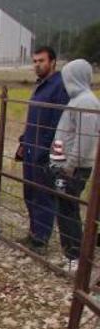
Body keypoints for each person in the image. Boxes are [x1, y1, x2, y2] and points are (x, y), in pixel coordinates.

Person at [16, 46, 70, 254]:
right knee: (29, 192)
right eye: (35, 61)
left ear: (53, 62)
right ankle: (33, 232)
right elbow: (33, 120)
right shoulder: (41, 86)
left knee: (43, 195)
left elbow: (58, 122)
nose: (37, 64)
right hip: (30, 148)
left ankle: (41, 240)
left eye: (41, 61)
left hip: (44, 151)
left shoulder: (59, 87)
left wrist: (46, 148)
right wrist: (23, 142)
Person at [49, 59, 99, 273]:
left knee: (68, 210)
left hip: (74, 167)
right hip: (68, 165)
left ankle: (75, 257)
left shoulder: (85, 102)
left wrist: (70, 164)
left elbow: (85, 138)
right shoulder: (79, 100)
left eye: (68, 77)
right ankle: (71, 254)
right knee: (64, 209)